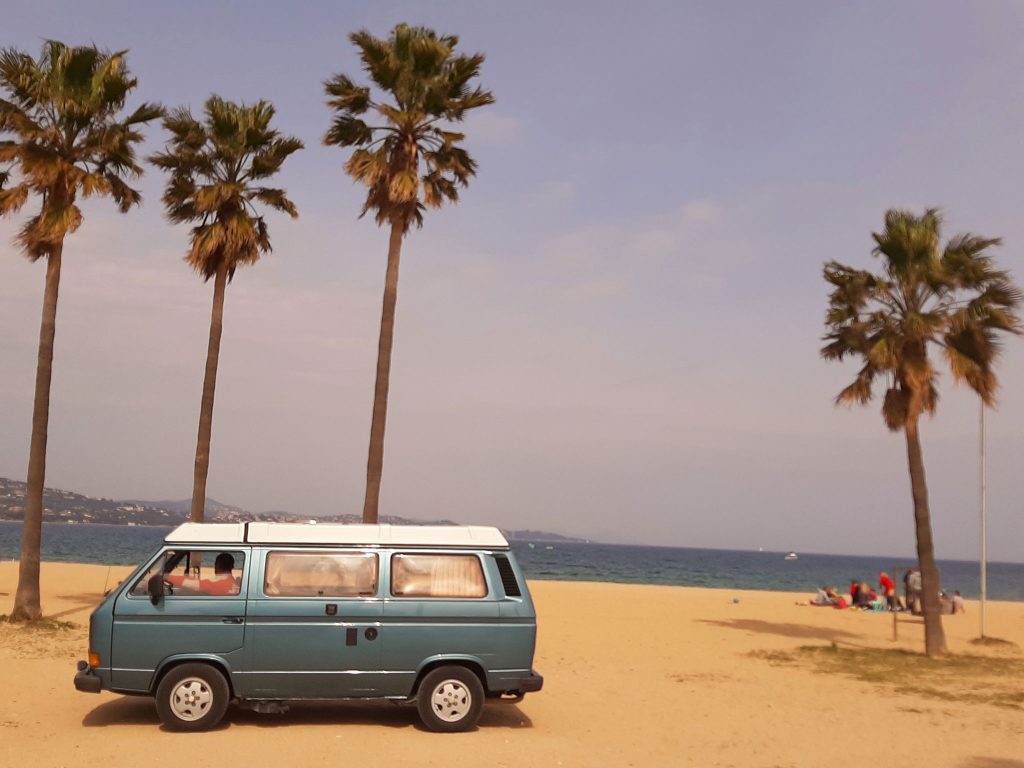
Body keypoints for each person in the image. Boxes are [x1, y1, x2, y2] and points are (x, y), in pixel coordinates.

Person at [166, 553, 240, 595]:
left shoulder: (216, 584)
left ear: (217, 565)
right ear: (232, 566)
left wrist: (165, 577)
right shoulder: (233, 583)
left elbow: (190, 584)